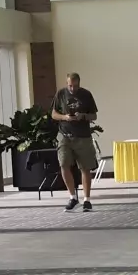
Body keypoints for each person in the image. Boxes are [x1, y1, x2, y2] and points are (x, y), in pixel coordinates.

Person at [49, 72, 99, 212]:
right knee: (64, 164)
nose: (72, 89)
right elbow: (53, 114)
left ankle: (87, 200)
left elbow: (94, 115)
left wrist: (83, 116)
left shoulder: (86, 94)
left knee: (85, 167)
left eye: (75, 86)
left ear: (79, 83)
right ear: (67, 84)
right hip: (65, 135)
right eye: (70, 86)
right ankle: (72, 197)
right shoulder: (61, 94)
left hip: (83, 136)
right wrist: (65, 117)